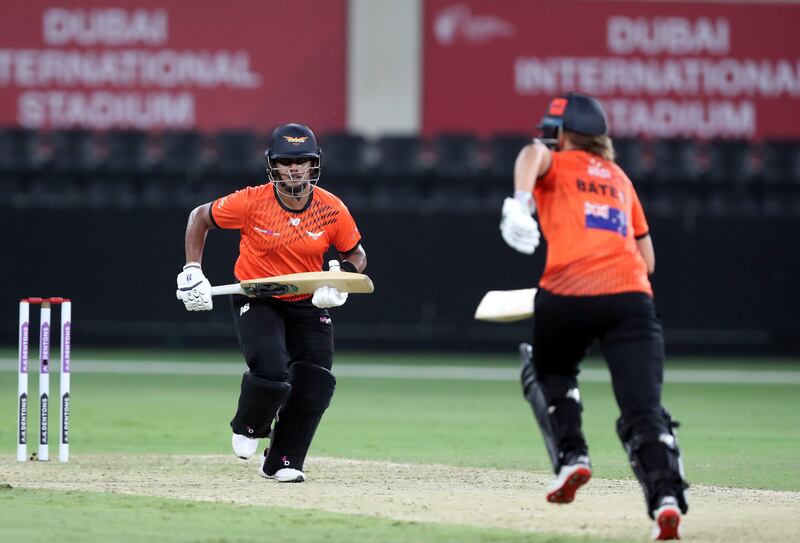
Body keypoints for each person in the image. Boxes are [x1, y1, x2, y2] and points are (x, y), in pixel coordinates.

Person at [500, 92, 688, 540]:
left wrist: (520, 201)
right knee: (644, 409)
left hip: (567, 292)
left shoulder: (553, 160)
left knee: (548, 371)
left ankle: (572, 456)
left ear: (563, 134)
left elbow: (531, 153)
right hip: (631, 297)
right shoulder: (621, 179)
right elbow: (649, 259)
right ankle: (665, 495)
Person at [176, 122, 366, 483]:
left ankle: (281, 461)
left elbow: (357, 255)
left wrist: (339, 280)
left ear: (314, 165)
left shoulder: (331, 209)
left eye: (302, 161)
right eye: (285, 162)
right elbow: (199, 217)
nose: (294, 169)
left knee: (316, 380)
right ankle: (250, 425)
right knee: (272, 365)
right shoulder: (251, 202)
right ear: (273, 165)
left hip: (308, 302)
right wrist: (191, 270)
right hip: (257, 297)